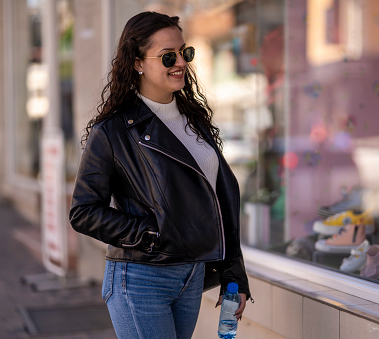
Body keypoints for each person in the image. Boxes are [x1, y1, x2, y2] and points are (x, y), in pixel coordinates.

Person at [69, 11, 251, 339]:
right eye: (169, 56)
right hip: (140, 279)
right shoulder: (112, 132)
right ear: (138, 62)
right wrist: (151, 234)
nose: (180, 62)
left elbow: (218, 199)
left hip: (191, 276)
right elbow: (83, 212)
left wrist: (233, 273)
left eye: (185, 52)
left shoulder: (193, 120)